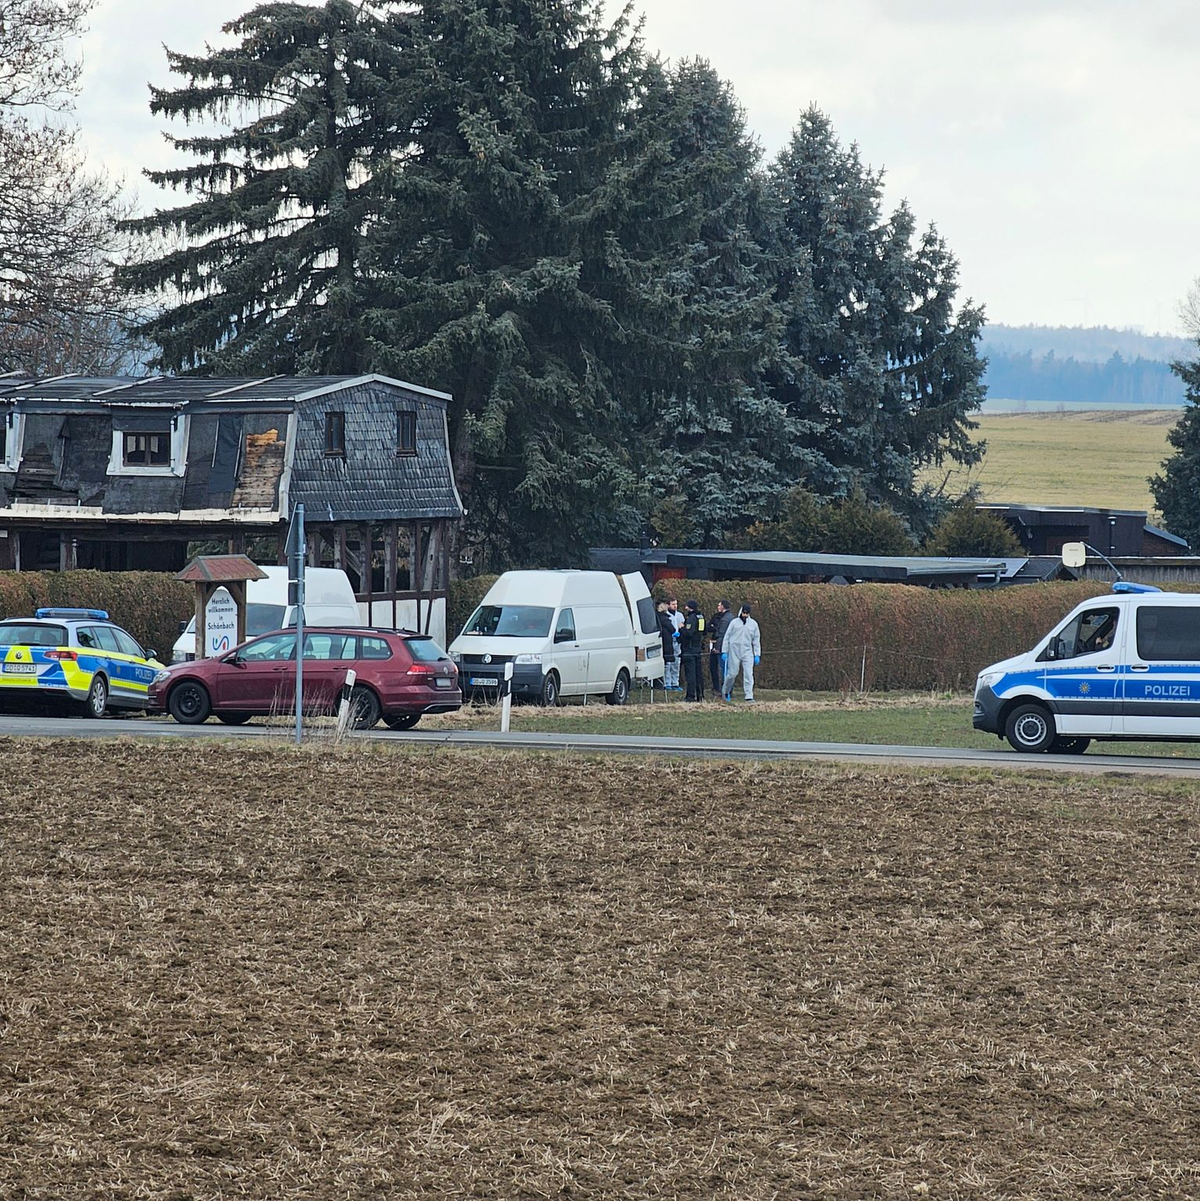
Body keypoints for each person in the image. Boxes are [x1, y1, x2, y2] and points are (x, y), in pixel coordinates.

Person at [722, 602, 761, 702]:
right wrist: (724, 651)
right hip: (734, 650)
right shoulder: (734, 623)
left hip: (747, 651)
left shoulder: (753, 624)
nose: (745, 615)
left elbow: (756, 640)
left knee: (748, 673)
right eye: (743, 613)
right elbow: (727, 637)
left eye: (747, 614)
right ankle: (726, 690)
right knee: (732, 673)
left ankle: (749, 695)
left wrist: (757, 654)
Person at [680, 599, 707, 701]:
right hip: (697, 649)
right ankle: (700, 695)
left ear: (690, 607)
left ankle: (690, 696)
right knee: (698, 674)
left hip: (689, 650)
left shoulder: (691, 618)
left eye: (687, 606)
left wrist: (681, 628)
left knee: (691, 675)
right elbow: (704, 632)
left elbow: (689, 633)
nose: (685, 608)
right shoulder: (701, 617)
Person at [708, 599, 732, 694]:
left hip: (722, 647)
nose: (718, 607)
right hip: (727, 645)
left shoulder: (725, 619)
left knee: (723, 668)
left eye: (719, 605)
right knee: (726, 668)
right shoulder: (730, 617)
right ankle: (726, 689)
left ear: (723, 606)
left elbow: (721, 634)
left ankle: (725, 690)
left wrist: (717, 647)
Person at [663, 595, 685, 691]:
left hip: (677, 642)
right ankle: (667, 683)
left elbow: (682, 625)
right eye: (673, 604)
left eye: (676, 604)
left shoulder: (680, 615)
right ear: (668, 605)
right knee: (668, 663)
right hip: (669, 642)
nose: (675, 606)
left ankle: (675, 682)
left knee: (676, 662)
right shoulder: (666, 615)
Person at [656, 600, 677, 690]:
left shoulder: (657, 617)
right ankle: (666, 682)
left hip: (663, 641)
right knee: (667, 663)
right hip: (666, 642)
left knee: (666, 663)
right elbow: (672, 628)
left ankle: (667, 682)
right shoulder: (664, 618)